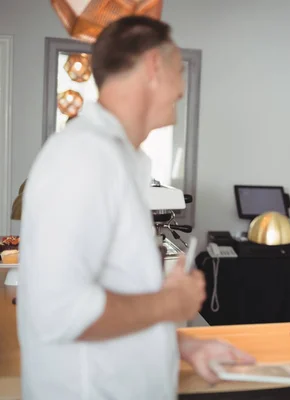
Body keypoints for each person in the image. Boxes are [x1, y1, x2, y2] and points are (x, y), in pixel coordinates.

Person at [17, 16, 254, 399]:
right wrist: (170, 303)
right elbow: (60, 312)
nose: (182, 87)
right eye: (180, 68)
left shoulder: (120, 161)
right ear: (153, 66)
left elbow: (112, 300)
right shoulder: (81, 158)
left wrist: (182, 346)